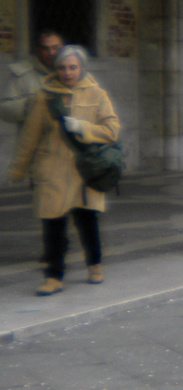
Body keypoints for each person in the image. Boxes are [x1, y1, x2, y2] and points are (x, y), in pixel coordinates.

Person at [8, 44, 120, 294]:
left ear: (81, 68)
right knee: (52, 225)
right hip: (52, 171)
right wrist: (18, 169)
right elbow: (30, 137)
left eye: (72, 67)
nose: (67, 72)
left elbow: (112, 131)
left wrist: (83, 127)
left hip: (85, 171)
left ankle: (94, 264)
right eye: (62, 67)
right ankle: (53, 276)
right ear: (55, 69)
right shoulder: (44, 97)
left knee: (87, 221)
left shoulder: (97, 94)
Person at [1, 29, 64, 128]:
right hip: (34, 140)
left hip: (64, 140)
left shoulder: (72, 72)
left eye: (55, 48)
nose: (51, 53)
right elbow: (4, 110)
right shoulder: (23, 74)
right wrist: (31, 105)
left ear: (63, 48)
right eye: (45, 48)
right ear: (38, 50)